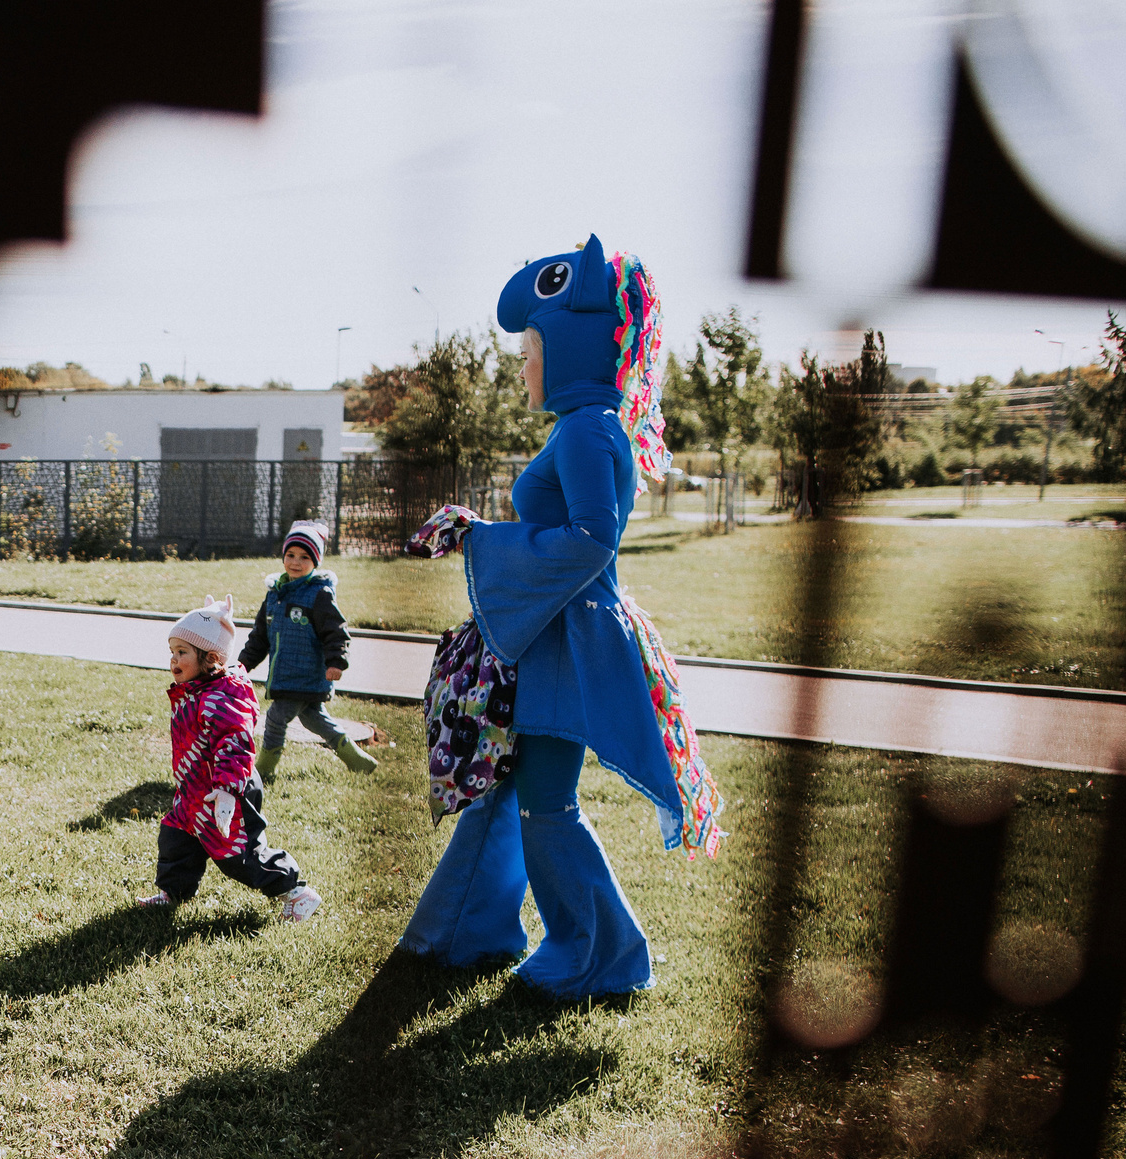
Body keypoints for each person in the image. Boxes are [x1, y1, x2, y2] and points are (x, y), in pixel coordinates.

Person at [397, 236, 725, 996]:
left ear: (573, 345)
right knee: (514, 787)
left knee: (547, 803)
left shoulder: (585, 430)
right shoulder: (590, 425)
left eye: (532, 345)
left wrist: (485, 539)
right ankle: (469, 934)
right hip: (556, 637)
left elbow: (588, 541)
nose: (524, 363)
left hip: (569, 643)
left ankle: (601, 956)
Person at [137, 596, 324, 922]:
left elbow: (236, 746)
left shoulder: (223, 697)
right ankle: (174, 893)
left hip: (227, 788)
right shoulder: (195, 689)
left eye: (182, 652)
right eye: (172, 651)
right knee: (176, 837)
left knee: (236, 853)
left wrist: (226, 790)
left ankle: (296, 892)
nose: (173, 659)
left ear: (210, 657)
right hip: (196, 789)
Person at [239, 518, 379, 782]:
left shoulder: (319, 594)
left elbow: (335, 630)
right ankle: (358, 760)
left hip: (304, 674)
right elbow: (261, 637)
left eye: (304, 557)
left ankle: (264, 770)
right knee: (315, 720)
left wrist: (336, 661)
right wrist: (243, 664)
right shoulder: (274, 595)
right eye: (290, 555)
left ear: (316, 562)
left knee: (276, 718)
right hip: (287, 675)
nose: (295, 562)